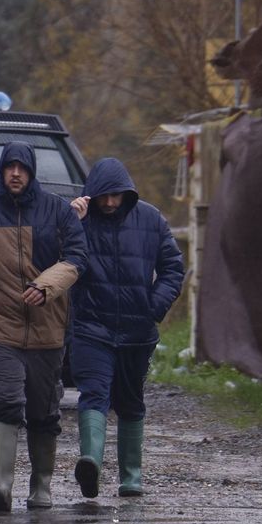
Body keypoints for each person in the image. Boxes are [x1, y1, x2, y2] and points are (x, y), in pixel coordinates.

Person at [0, 142, 88, 512]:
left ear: (32, 171)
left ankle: (41, 486)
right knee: (4, 401)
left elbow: (77, 258)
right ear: (1, 170)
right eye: (9, 167)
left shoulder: (58, 211)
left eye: (22, 168)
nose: (15, 174)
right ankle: (2, 483)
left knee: (44, 411)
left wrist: (46, 285)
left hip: (48, 331)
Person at [68, 157, 185, 498]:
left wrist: (153, 307)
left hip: (137, 332)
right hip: (90, 327)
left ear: (127, 194)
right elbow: (52, 257)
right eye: (103, 196)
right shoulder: (79, 220)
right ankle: (90, 462)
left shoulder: (150, 219)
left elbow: (172, 268)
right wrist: (69, 220)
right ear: (92, 193)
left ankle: (131, 477)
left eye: (115, 196)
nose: (109, 203)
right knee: (94, 393)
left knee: (131, 402)